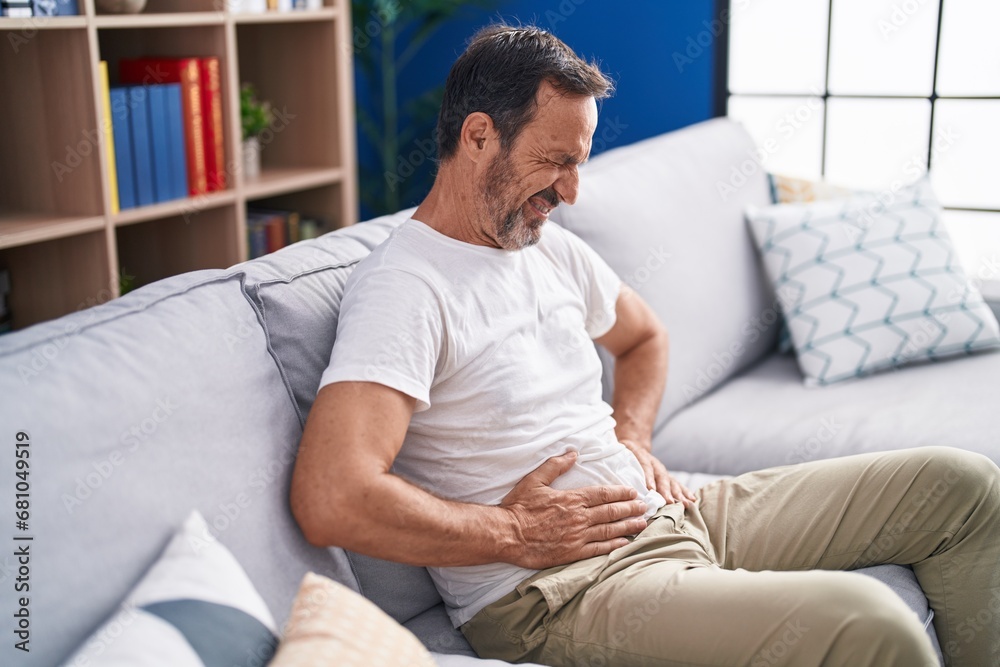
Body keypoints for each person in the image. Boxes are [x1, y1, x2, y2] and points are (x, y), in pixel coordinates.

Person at [290, 24, 1000, 667]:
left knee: (963, 485)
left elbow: (644, 337)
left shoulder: (548, 247)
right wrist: (513, 533)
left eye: (581, 163)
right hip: (558, 587)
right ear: (479, 136)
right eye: (555, 161)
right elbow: (332, 494)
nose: (570, 191)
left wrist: (633, 437)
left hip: (670, 510)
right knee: (870, 624)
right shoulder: (406, 288)